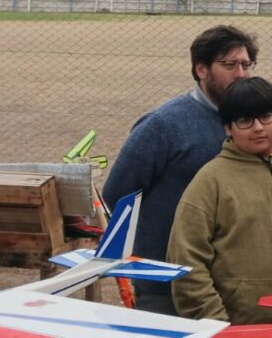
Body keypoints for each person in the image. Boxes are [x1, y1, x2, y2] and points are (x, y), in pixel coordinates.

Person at [102, 25, 258, 315]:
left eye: (246, 65)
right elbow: (117, 195)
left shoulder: (252, 123)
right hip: (167, 281)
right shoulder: (163, 126)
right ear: (201, 69)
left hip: (229, 280)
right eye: (229, 65)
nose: (241, 74)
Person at [169, 78, 272, 325]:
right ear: (228, 128)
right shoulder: (211, 180)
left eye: (266, 116)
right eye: (245, 121)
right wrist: (214, 322)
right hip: (238, 324)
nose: (258, 128)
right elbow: (186, 259)